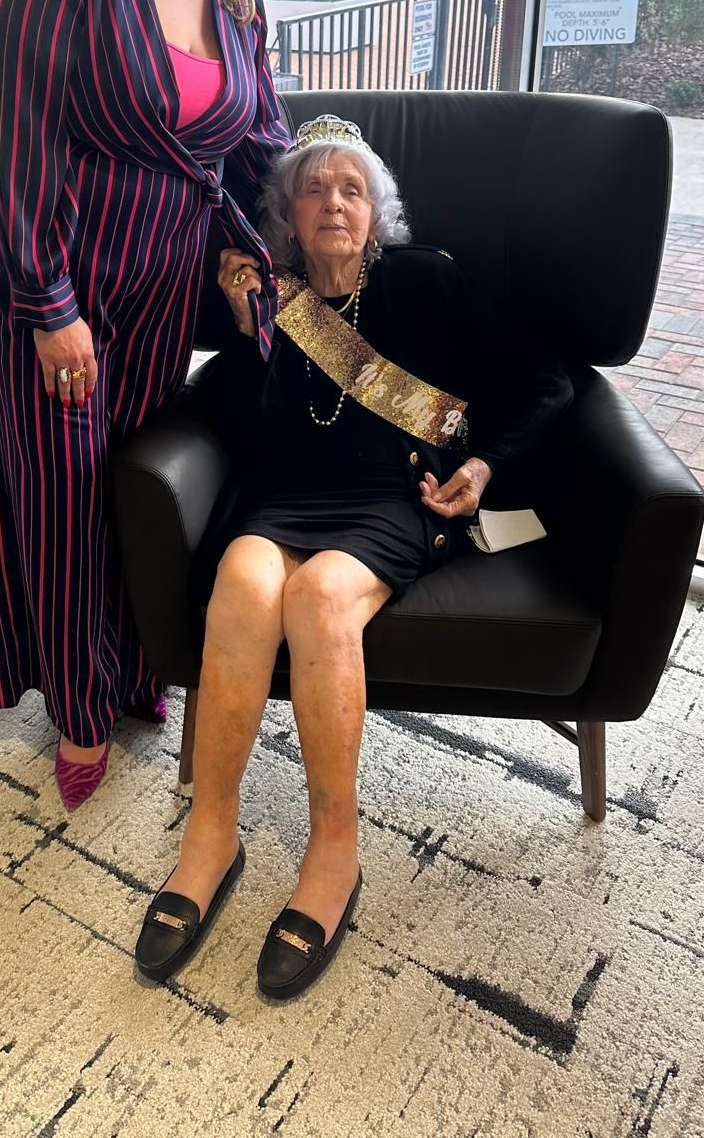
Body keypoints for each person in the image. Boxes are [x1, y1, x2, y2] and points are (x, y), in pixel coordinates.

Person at [134, 115, 572, 999]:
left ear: (378, 212)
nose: (333, 202)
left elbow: (546, 383)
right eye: (312, 188)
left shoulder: (425, 282)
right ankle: (210, 835)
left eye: (353, 189)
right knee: (245, 581)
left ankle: (335, 851)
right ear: (286, 213)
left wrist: (485, 466)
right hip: (280, 500)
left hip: (395, 501)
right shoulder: (275, 299)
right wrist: (245, 321)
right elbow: (232, 417)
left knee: (325, 596)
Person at [0, 0, 288, 809]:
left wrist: (281, 243)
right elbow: (9, 133)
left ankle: (132, 665)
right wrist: (48, 305)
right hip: (55, 275)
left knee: (128, 495)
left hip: (161, 275)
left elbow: (257, 144)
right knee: (59, 494)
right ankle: (77, 705)